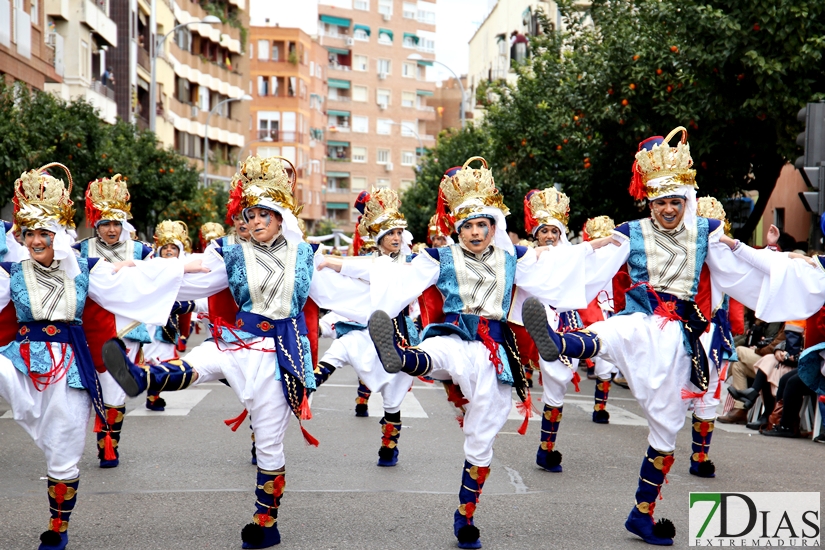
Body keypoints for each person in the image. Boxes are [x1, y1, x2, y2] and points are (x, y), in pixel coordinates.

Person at [319, 158, 614, 549]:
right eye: (468, 226)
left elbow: (559, 260)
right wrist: (329, 262)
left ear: (493, 227)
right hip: (456, 333)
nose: (475, 232)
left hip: (495, 352)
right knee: (438, 352)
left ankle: (465, 516)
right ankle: (403, 357)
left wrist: (605, 243)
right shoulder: (438, 258)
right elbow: (385, 273)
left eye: (482, 225)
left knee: (481, 439)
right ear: (457, 229)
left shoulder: (514, 259)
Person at [521, 127, 796, 546]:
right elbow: (589, 256)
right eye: (660, 202)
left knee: (665, 432)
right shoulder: (631, 232)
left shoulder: (707, 232)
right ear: (649, 202)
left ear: (686, 200)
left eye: (674, 202)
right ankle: (562, 344)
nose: (668, 209)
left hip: (679, 341)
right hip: (641, 317)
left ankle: (642, 513)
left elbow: (744, 261)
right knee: (611, 332)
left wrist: (793, 264)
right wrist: (541, 257)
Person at [101, 155, 367, 549]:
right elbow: (192, 268)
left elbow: (348, 281)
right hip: (236, 342)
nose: (256, 220)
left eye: (265, 214)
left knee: (270, 444)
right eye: (250, 213)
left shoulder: (306, 256)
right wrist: (138, 267)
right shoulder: (231, 252)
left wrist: (363, 273)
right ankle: (143, 378)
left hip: (279, 359)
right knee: (200, 361)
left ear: (280, 217)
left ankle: (265, 523)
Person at [0, 164, 199, 550]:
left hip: (72, 367)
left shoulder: (87, 272)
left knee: (63, 453)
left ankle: (57, 527)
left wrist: (189, 265)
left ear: (59, 235)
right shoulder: (12, 273)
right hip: (22, 364)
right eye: (30, 233)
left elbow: (143, 276)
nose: (37, 241)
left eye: (44, 232)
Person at [314, 188, 419, 467]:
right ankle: (308, 385)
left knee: (393, 400)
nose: (396, 238)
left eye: (399, 233)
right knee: (340, 348)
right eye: (390, 234)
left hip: (399, 335)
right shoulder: (373, 263)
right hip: (368, 328)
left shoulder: (412, 264)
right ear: (379, 239)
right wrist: (327, 262)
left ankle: (389, 446)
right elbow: (357, 269)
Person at [75, 174, 155, 466]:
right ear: (96, 224)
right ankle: (100, 439)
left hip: (129, 327)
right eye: (105, 223)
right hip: (93, 327)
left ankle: (109, 443)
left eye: (116, 223)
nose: (111, 229)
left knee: (116, 389)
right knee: (93, 385)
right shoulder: (80, 250)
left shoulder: (141, 251)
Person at [717, 319, 785, 424]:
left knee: (738, 351)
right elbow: (748, 337)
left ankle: (717, 382)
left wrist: (757, 349)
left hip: (776, 364)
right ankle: (740, 409)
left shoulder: (786, 319)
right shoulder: (766, 317)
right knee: (737, 366)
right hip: (767, 361)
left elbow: (774, 346)